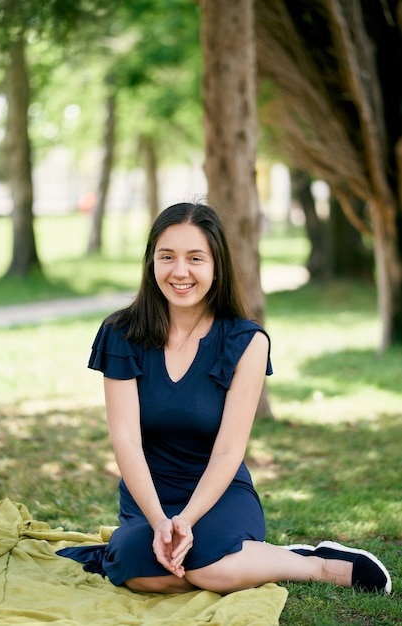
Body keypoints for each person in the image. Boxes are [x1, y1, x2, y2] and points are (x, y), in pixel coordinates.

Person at [58, 202, 391, 595]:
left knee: (206, 568)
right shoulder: (120, 333)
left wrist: (187, 519)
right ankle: (245, 558)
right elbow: (126, 440)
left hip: (219, 493)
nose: (179, 271)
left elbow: (228, 451)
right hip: (151, 494)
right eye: (167, 257)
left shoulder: (247, 342)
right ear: (151, 263)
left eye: (195, 258)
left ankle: (315, 564)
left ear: (217, 266)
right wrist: (161, 521)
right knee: (133, 567)